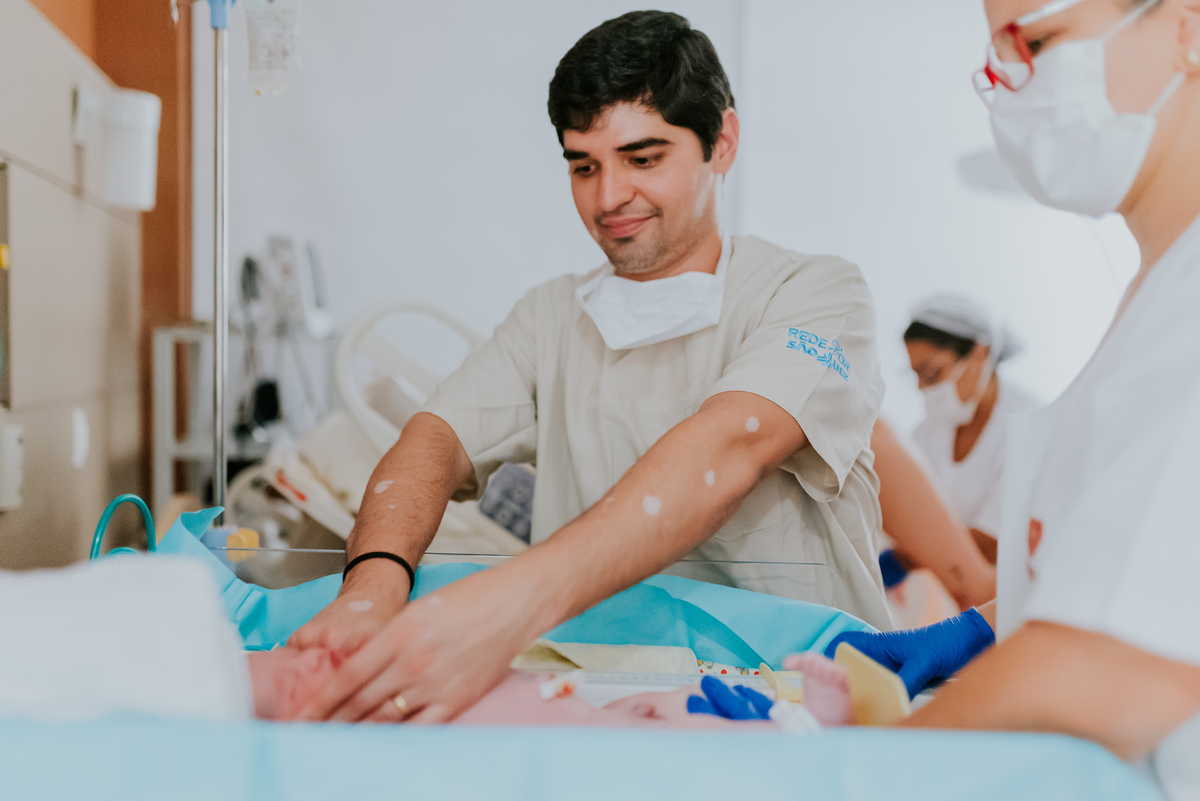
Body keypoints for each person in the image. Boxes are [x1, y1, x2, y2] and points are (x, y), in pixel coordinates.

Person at [294, 10, 891, 724]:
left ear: (721, 143)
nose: (608, 197)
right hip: (608, 696)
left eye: (643, 159)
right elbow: (435, 440)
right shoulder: (549, 319)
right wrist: (373, 585)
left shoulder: (816, 294)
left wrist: (509, 604)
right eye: (584, 165)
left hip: (801, 695)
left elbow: (728, 447)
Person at [823, 0, 1200, 795]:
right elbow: (1138, 576)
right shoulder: (1156, 291)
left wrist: (850, 778)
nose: (1011, 81)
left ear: (1187, 27)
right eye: (997, 54)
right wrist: (987, 627)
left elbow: (1117, 666)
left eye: (1038, 40)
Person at [905, 295, 1040, 562]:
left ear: (980, 353)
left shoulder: (1030, 425)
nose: (921, 388)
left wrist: (901, 561)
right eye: (915, 375)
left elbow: (993, 541)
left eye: (930, 373)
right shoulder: (928, 431)